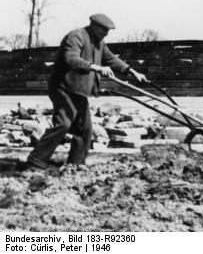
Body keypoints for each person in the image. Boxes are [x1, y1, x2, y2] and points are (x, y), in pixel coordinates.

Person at [26, 14, 146, 170]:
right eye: (104, 30)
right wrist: (95, 67)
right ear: (94, 26)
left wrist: (132, 72)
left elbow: (111, 60)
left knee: (85, 128)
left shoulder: (99, 43)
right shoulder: (76, 36)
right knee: (63, 123)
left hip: (78, 91)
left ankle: (76, 165)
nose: (106, 34)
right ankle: (36, 161)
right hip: (62, 87)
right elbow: (71, 58)